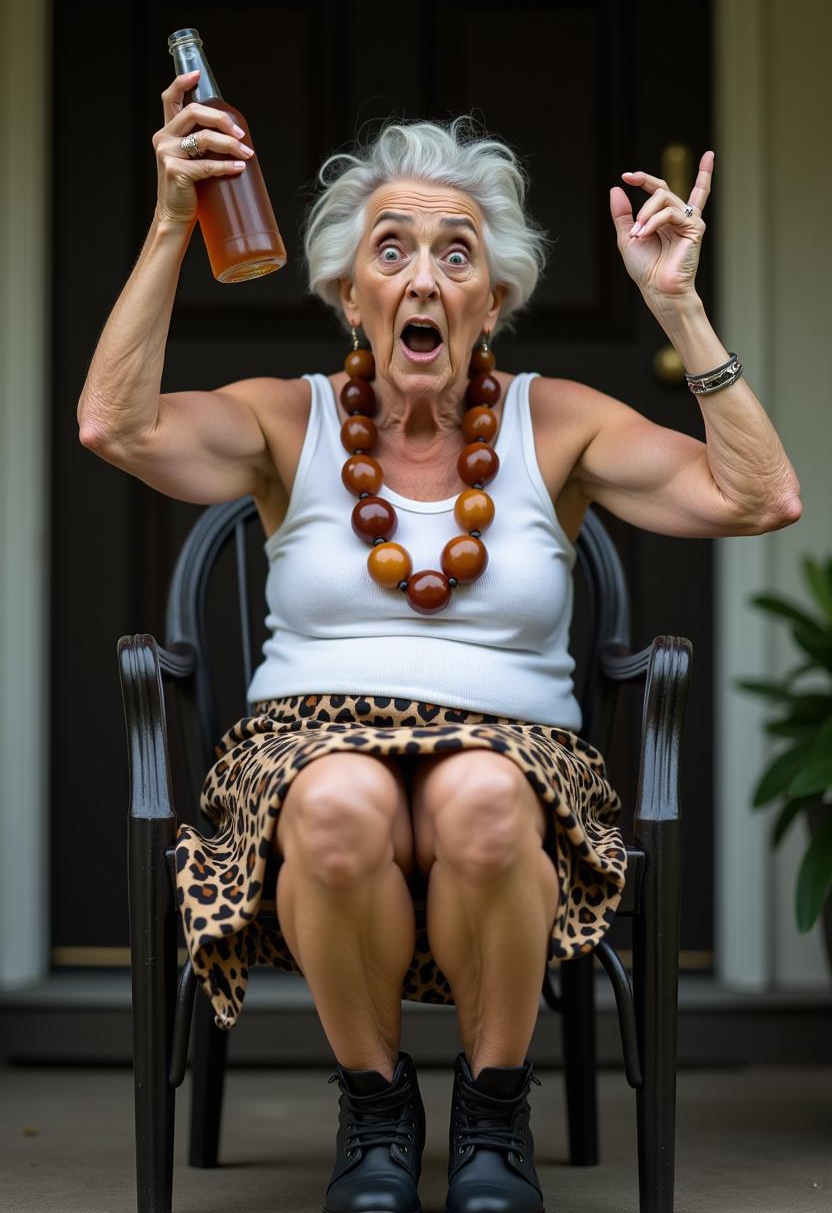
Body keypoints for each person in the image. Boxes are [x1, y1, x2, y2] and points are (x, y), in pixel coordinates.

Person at [77, 69, 801, 1213]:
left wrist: (680, 313)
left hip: (516, 753)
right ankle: (374, 1113)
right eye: (393, 250)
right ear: (348, 293)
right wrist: (175, 218)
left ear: (494, 299)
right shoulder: (288, 417)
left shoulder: (553, 422)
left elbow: (757, 498)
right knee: (337, 801)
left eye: (458, 254)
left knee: (479, 798)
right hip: (305, 747)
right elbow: (113, 422)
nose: (425, 276)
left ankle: (491, 1114)